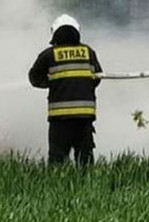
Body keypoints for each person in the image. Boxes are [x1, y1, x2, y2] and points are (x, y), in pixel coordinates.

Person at [28, 14, 103, 167]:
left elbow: (34, 78)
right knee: (85, 159)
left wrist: (54, 83)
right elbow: (97, 77)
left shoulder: (49, 54)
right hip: (85, 117)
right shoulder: (88, 52)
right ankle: (87, 181)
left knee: (58, 159)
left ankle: (58, 182)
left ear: (55, 33)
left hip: (60, 119)